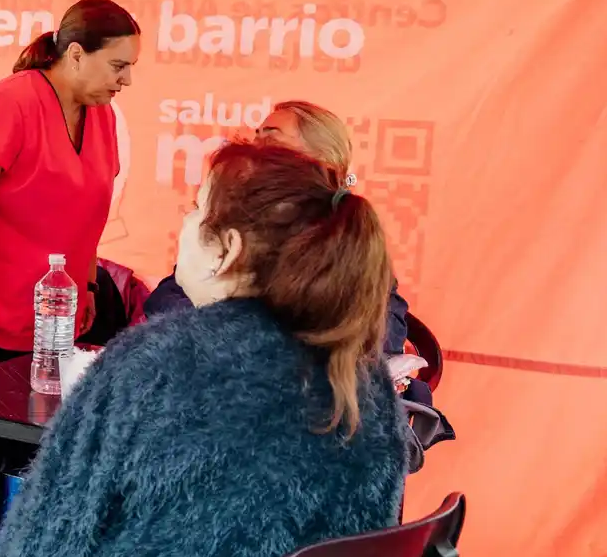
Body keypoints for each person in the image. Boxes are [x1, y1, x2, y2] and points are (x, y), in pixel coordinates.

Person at [0, 143, 410, 557]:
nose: (185, 222)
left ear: (227, 248)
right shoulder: (368, 389)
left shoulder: (151, 364)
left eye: (196, 209)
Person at [0, 0, 140, 553]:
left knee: (25, 461)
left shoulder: (103, 117)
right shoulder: (10, 102)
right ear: (77, 55)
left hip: (47, 316)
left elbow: (89, 211)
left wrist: (87, 284)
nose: (126, 80)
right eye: (119, 66)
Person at [146, 100, 415, 368]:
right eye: (255, 139)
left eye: (271, 140)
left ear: (322, 158)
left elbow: (385, 332)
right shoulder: (237, 223)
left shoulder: (350, 237)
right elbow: (164, 301)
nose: (256, 150)